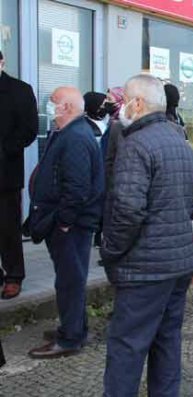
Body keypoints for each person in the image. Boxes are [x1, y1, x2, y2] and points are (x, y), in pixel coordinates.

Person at [100, 74, 193, 396]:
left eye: (124, 99)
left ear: (137, 103)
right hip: (177, 264)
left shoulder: (135, 144)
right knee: (167, 343)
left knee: (127, 348)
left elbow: (127, 210)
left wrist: (110, 252)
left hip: (144, 269)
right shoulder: (179, 140)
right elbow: (191, 205)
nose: (119, 107)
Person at [27, 87, 104, 358]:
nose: (50, 107)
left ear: (68, 107)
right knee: (71, 278)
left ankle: (70, 338)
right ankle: (75, 328)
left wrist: (64, 222)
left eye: (54, 103)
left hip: (71, 227)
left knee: (69, 281)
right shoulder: (69, 133)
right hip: (67, 224)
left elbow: (77, 188)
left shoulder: (76, 137)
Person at [0, 51, 38, 300]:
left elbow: (29, 130)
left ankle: (14, 276)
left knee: (7, 227)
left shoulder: (19, 90)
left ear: (2, 62)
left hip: (5, 172)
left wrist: (4, 149)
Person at [83, 91, 110, 247]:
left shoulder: (106, 122)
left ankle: (99, 233)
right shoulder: (86, 125)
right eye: (102, 104)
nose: (104, 107)